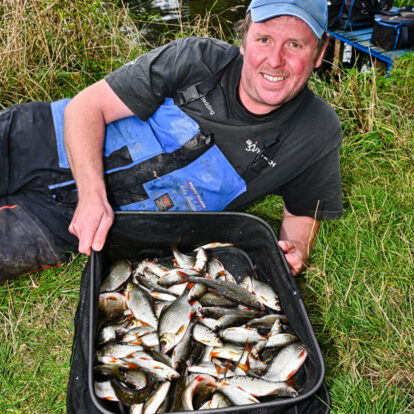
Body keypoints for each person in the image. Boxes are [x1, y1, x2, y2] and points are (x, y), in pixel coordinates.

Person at [0, 0, 343, 281]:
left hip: (62, 223)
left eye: (295, 44)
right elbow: (86, 108)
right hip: (41, 139)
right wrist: (92, 196)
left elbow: (302, 212)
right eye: (264, 39)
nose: (275, 60)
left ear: (320, 51)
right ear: (245, 39)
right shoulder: (196, 58)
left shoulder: (316, 131)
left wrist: (295, 248)